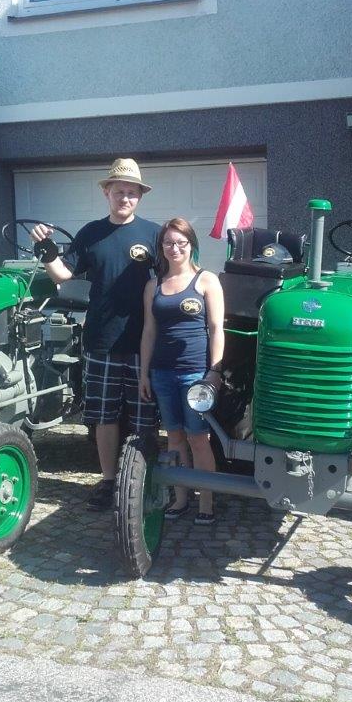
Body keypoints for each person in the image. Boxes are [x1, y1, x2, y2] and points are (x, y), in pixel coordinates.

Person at [30, 158, 160, 511]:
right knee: (104, 415)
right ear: (107, 192)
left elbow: (174, 278)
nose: (125, 197)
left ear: (139, 197)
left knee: (143, 418)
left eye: (132, 193)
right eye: (119, 191)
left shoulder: (153, 234)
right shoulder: (91, 233)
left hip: (143, 343)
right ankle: (108, 481)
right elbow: (62, 276)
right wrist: (47, 251)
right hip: (101, 340)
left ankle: (144, 481)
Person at [139, 218, 225, 525]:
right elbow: (149, 331)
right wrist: (144, 374)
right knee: (174, 439)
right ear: (161, 248)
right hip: (162, 374)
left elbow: (217, 329)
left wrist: (214, 371)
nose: (174, 249)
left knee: (198, 439)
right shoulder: (154, 286)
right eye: (168, 243)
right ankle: (180, 498)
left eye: (181, 243)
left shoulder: (206, 281)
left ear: (191, 245)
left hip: (195, 377)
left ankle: (208, 501)